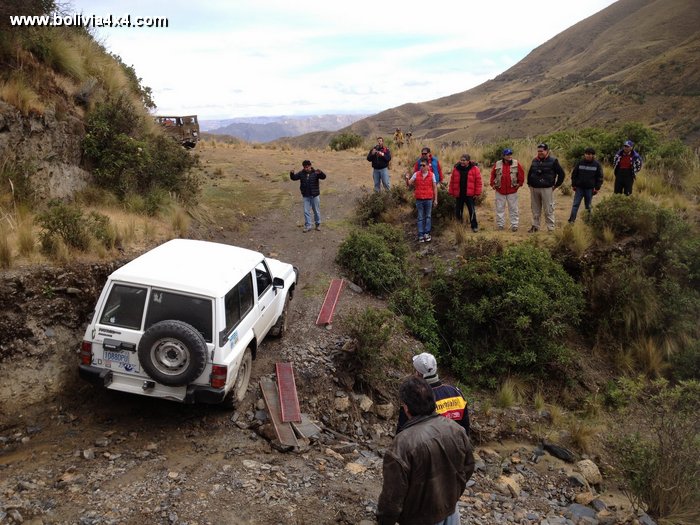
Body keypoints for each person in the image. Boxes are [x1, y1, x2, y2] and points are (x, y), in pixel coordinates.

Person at [377, 376, 475, 525]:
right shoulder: (456, 429)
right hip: (450, 511)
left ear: (406, 408)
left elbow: (392, 497)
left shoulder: (402, 443)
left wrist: (384, 521)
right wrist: (452, 496)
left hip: (419, 519)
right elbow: (468, 468)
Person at [397, 352, 470, 435]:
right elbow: (465, 428)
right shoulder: (456, 392)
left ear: (418, 374)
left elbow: (401, 433)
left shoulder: (414, 398)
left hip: (427, 446)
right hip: (456, 444)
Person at [527, 143, 565, 232]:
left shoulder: (553, 161)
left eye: (542, 151)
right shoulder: (534, 160)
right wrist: (529, 183)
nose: (540, 153)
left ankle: (551, 228)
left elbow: (561, 174)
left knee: (548, 209)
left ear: (547, 151)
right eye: (538, 151)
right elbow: (530, 172)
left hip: (547, 188)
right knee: (535, 208)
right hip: (534, 188)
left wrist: (556, 185)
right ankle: (535, 226)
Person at [490, 148, 525, 232]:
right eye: (507, 155)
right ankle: (500, 225)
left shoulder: (516, 163)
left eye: (510, 154)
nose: (509, 156)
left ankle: (514, 225)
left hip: (512, 190)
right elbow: (492, 174)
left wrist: (519, 184)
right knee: (500, 208)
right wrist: (492, 184)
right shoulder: (497, 164)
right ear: (503, 156)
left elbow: (521, 174)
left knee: (513, 208)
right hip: (500, 189)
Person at [568, 147, 604, 223]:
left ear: (593, 155)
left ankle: (588, 221)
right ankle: (571, 220)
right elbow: (574, 174)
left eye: (590, 154)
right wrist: (574, 184)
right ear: (584, 154)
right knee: (575, 205)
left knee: (588, 206)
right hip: (579, 188)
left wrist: (597, 188)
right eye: (586, 154)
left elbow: (600, 177)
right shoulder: (580, 162)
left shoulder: (597, 165)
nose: (588, 155)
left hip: (590, 189)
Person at [448, 154, 482, 232]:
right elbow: (452, 181)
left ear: (468, 161)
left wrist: (477, 193)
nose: (462, 162)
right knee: (458, 210)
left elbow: (478, 181)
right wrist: (451, 192)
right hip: (459, 194)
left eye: (464, 160)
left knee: (472, 210)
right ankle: (459, 225)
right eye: (461, 160)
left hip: (469, 194)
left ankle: (474, 226)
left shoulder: (474, 169)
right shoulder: (456, 169)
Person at [405, 160, 438, 243]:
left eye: (423, 165)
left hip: (428, 199)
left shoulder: (432, 175)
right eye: (421, 165)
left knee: (428, 216)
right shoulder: (416, 174)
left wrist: (436, 199)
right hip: (419, 199)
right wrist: (407, 178)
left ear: (428, 166)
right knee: (420, 217)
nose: (421, 167)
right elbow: (409, 184)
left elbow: (435, 187)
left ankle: (426, 233)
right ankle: (420, 234)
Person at [289, 160, 326, 232]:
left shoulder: (316, 172)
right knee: (306, 211)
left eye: (307, 166)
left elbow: (324, 177)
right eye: (304, 167)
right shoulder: (301, 173)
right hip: (306, 196)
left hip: (315, 196)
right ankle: (308, 225)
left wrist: (321, 173)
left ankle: (318, 224)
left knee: (316, 211)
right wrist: (291, 173)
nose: (306, 168)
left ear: (310, 165)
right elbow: (294, 178)